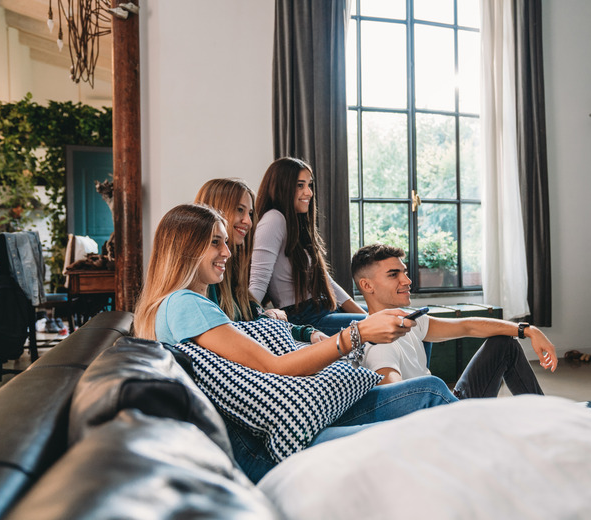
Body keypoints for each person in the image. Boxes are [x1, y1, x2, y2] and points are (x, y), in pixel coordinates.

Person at [133, 204, 457, 482]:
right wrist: (357, 334)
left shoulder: (171, 307)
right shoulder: (185, 305)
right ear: (186, 248)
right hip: (277, 440)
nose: (227, 252)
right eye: (215, 242)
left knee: (427, 392)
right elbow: (276, 368)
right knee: (428, 393)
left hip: (279, 424)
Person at [350, 243, 558, 399]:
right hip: (438, 418)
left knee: (505, 344)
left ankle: (543, 415)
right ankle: (544, 422)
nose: (407, 280)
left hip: (447, 402)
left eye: (404, 272)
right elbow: (395, 401)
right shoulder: (379, 346)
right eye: (393, 275)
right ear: (367, 286)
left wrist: (528, 330)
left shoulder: (408, 320)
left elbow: (468, 325)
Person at [194, 178, 324, 343]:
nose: (248, 221)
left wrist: (308, 333)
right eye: (240, 210)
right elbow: (231, 332)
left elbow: (252, 314)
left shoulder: (233, 269)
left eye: (249, 213)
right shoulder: (206, 275)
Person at [249, 157, 366, 336]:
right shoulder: (273, 220)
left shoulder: (295, 222)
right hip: (303, 318)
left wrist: (366, 315)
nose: (309, 192)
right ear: (282, 187)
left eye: (309, 185)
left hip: (321, 307)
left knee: (402, 317)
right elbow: (258, 283)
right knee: (395, 322)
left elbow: (327, 281)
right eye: (300, 185)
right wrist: (241, 323)